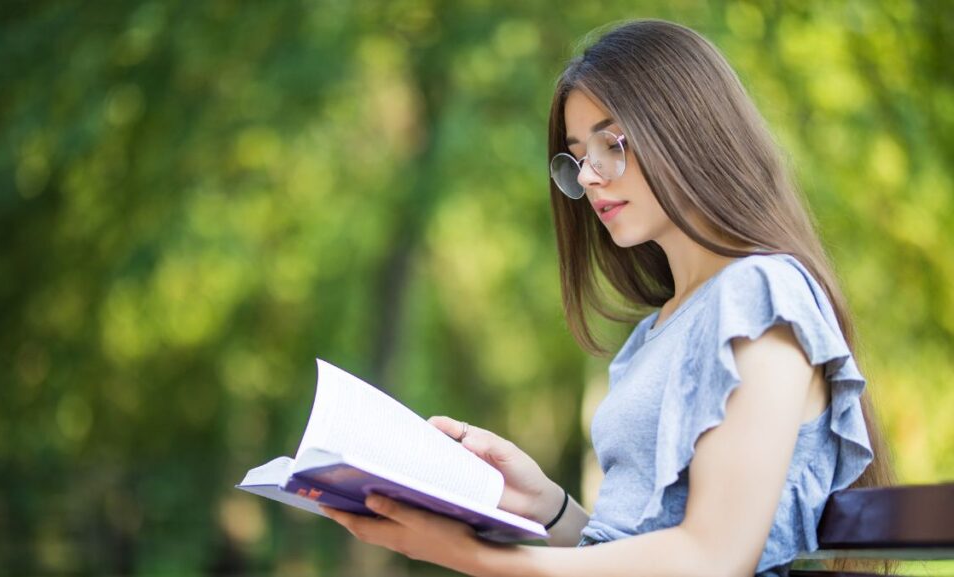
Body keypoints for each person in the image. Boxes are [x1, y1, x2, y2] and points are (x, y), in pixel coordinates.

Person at [321, 18, 893, 577]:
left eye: (610, 144)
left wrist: (473, 557)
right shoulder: (655, 332)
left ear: (687, 130)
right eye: (578, 156)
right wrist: (547, 505)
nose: (590, 177)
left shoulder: (762, 295)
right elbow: (641, 547)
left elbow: (715, 558)